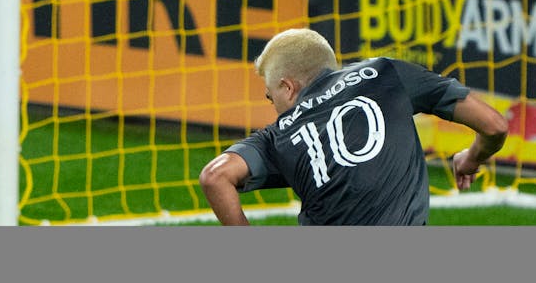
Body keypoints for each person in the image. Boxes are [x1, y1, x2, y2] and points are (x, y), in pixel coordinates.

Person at [198, 28, 508, 225]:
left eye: (271, 97)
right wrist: (471, 158)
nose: (274, 107)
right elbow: (494, 125)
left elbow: (214, 177)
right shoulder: (385, 72)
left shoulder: (277, 137)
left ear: (287, 87)